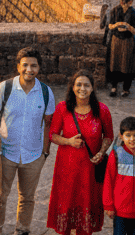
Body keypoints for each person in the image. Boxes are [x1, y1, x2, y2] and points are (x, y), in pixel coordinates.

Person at [0, 48, 55, 235]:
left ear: (39, 68)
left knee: (27, 197)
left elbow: (48, 123)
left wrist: (45, 152)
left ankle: (22, 230)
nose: (29, 69)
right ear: (18, 66)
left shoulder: (45, 92)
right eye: (25, 65)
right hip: (6, 153)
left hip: (33, 155)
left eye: (34, 65)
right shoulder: (5, 88)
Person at [47, 70, 113, 235]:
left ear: (92, 88)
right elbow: (52, 135)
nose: (82, 88)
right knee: (67, 203)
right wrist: (69, 141)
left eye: (86, 85)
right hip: (67, 168)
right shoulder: (63, 108)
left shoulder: (102, 110)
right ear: (72, 87)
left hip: (90, 170)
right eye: (78, 85)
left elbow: (108, 136)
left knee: (86, 204)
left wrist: (101, 152)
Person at [104, 0, 135, 97]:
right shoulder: (115, 10)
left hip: (128, 41)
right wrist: (117, 24)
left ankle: (126, 88)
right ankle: (114, 87)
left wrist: (128, 26)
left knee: (127, 64)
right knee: (114, 63)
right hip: (116, 40)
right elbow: (110, 26)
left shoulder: (134, 13)